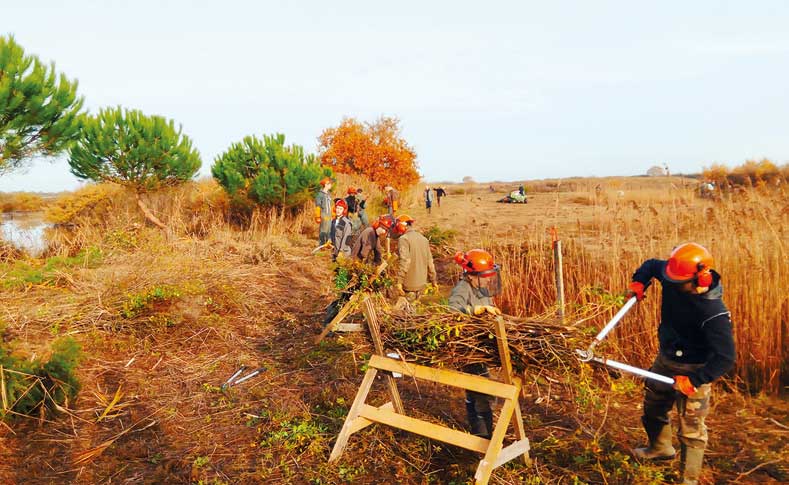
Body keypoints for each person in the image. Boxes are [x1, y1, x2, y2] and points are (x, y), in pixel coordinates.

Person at [627, 243, 735, 485]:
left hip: (695, 369)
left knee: (691, 430)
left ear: (702, 278)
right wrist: (639, 282)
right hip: (666, 359)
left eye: (677, 282)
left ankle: (688, 480)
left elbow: (726, 358)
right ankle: (660, 449)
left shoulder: (713, 312)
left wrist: (694, 381)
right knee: (653, 407)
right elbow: (652, 265)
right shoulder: (675, 277)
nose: (671, 284)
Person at [448, 249, 503, 439]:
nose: (489, 280)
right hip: (469, 349)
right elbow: (451, 310)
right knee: (482, 390)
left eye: (490, 276)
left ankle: (480, 431)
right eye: (485, 276)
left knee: (476, 391)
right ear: (471, 275)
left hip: (480, 346)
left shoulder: (481, 289)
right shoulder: (463, 289)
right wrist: (474, 310)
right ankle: (483, 436)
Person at [391, 214, 436, 299]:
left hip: (409, 286)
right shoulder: (423, 239)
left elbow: (405, 261)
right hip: (422, 285)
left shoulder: (404, 239)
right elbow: (430, 263)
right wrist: (433, 280)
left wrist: (399, 281)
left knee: (408, 311)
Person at [314, 177, 333, 245]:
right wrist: (318, 216)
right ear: (325, 184)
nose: (331, 185)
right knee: (323, 230)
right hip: (324, 214)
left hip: (329, 214)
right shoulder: (320, 194)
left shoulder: (329, 194)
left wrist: (333, 214)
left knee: (329, 229)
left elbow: (331, 205)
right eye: (330, 184)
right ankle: (321, 244)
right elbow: (318, 206)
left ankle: (327, 244)